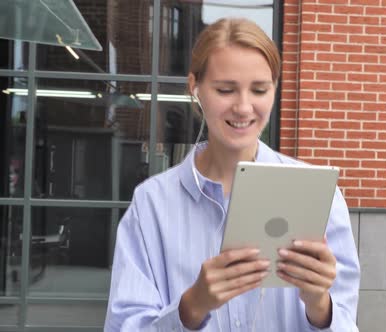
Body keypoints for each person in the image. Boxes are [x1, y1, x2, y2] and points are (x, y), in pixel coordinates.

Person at [104, 18, 360, 331]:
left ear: (274, 90)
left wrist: (319, 304)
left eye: (259, 90)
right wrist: (192, 306)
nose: (243, 107)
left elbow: (346, 321)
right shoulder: (151, 206)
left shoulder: (321, 198)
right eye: (225, 89)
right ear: (194, 87)